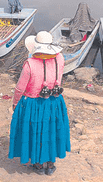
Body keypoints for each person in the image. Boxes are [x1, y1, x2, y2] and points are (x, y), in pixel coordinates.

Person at [9, 31, 71, 175]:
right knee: (52, 130)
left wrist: (15, 103)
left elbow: (20, 87)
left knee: (36, 131)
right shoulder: (60, 58)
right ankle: (50, 165)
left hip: (34, 103)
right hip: (55, 101)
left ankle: (37, 164)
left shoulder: (29, 64)